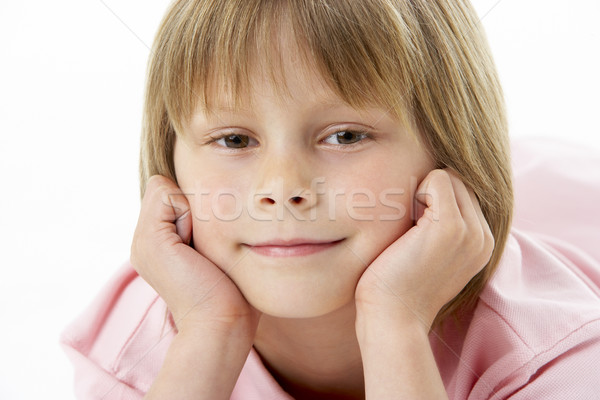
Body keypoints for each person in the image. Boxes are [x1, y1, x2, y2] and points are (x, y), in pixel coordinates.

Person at [61, 0, 600, 398]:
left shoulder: (554, 353)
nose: (282, 187)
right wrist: (210, 333)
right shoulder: (133, 349)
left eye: (346, 136)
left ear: (452, 151)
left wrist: (397, 323)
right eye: (234, 140)